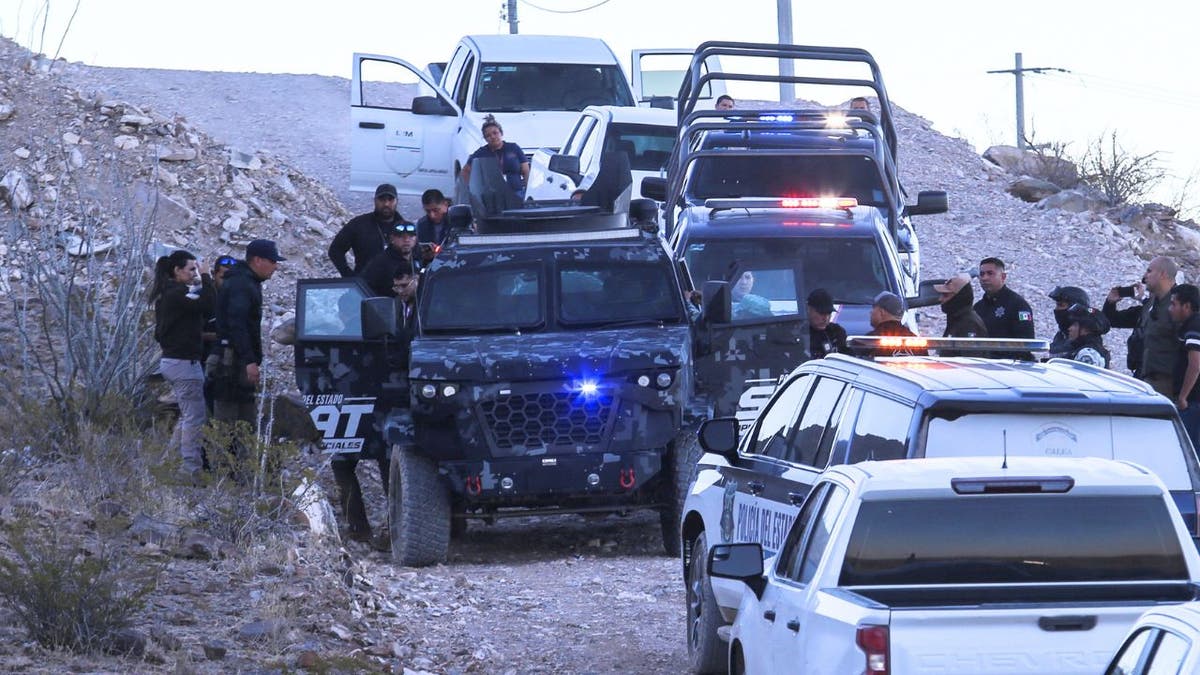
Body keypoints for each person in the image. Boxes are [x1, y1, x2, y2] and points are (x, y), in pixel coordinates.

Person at [332, 268, 418, 547]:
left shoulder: (351, 336)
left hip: (367, 407)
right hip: (379, 406)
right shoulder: (383, 329)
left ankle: (364, 528)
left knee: (356, 462)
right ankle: (389, 527)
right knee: (383, 462)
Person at [150, 249, 215, 481]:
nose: (194, 274)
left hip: (173, 362)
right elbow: (207, 303)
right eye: (191, 269)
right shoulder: (176, 295)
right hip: (183, 365)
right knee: (195, 418)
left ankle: (168, 461)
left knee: (188, 415)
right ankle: (190, 470)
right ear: (176, 271)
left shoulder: (169, 295)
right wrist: (207, 277)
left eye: (196, 270)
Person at [214, 239, 285, 433]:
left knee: (244, 421)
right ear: (258, 260)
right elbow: (237, 324)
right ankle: (222, 462)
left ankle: (238, 461)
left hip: (236, 360)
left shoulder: (246, 281)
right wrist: (249, 360)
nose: (276, 267)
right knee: (227, 422)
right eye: (272, 261)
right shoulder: (242, 284)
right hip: (232, 362)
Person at [1104, 255, 1179, 396]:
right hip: (1142, 379)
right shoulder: (1150, 305)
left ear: (1163, 274)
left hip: (1166, 384)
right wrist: (1110, 303)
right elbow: (1111, 320)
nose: (1144, 277)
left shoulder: (1179, 304)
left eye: (1149, 271)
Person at [328, 183, 408, 277]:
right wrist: (349, 276)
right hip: (365, 287)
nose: (386, 204)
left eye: (390, 199)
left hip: (398, 287)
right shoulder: (358, 224)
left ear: (397, 201)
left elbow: (416, 256)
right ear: (374, 201)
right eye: (382, 199)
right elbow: (335, 250)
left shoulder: (407, 229)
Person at [973, 257, 1036, 360]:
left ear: (1003, 277)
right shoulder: (978, 307)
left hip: (1009, 367)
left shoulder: (1018, 305)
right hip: (981, 364)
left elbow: (1026, 343)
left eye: (990, 273)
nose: (984, 278)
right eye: (982, 274)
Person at [461, 115, 529, 199]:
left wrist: (528, 191)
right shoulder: (481, 152)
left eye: (495, 133)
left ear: (501, 133)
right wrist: (471, 191)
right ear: (485, 139)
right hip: (492, 196)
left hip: (516, 193)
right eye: (488, 136)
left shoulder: (513, 148)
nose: (492, 137)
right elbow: (465, 171)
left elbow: (526, 171)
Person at [202, 255, 238, 415]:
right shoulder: (205, 297)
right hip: (204, 361)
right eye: (224, 277)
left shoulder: (237, 298)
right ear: (215, 275)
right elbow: (189, 332)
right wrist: (220, 337)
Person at [1169, 284, 1200, 448]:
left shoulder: (1194, 326)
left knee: (1190, 450)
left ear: (1186, 306)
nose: (1170, 309)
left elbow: (1195, 364)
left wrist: (1183, 396)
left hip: (1193, 402)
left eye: (1173, 304)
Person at [359, 222, 420, 297]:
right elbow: (363, 287)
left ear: (416, 239)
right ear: (392, 239)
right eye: (401, 236)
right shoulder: (380, 263)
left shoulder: (418, 258)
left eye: (411, 236)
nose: (406, 240)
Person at [934, 273, 987, 357]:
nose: (940, 299)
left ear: (958, 298)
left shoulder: (969, 324)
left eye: (945, 295)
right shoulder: (956, 319)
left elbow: (970, 362)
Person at [864, 291, 927, 357]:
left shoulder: (868, 341)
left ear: (882, 312)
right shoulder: (916, 342)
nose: (871, 312)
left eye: (874, 308)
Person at [1047, 286, 1091, 359]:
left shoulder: (1085, 341)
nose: (1056, 309)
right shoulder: (1061, 335)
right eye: (1057, 305)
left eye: (1061, 305)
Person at [806, 288, 847, 359]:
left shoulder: (836, 332)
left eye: (829, 313)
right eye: (821, 313)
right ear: (809, 309)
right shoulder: (799, 333)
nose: (826, 318)